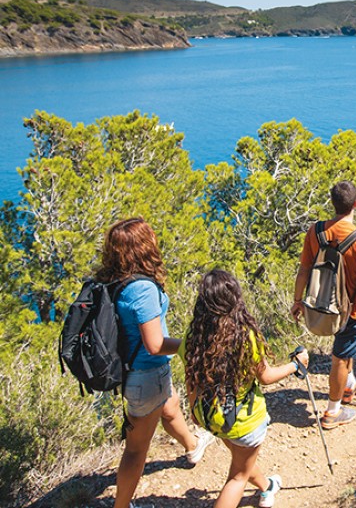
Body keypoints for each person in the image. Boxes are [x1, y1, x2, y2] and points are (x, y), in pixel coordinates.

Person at [98, 217, 215, 508]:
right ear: (143, 247)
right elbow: (155, 344)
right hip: (146, 374)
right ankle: (121, 505)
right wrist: (193, 346)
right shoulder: (142, 289)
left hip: (139, 372)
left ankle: (192, 446)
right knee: (136, 451)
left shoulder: (116, 280)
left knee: (171, 405)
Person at [183, 269, 309, 508]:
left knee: (242, 461)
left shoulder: (195, 335)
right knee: (237, 476)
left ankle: (266, 488)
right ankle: (261, 489)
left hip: (212, 416)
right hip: (244, 420)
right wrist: (295, 365)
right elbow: (266, 377)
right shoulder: (244, 335)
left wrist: (193, 410)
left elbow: (192, 377)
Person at [291, 180, 356, 429]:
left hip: (321, 304)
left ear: (333, 204)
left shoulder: (315, 232)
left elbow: (303, 270)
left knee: (346, 354)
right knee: (340, 357)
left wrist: (297, 301)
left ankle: (349, 386)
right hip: (354, 310)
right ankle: (333, 412)